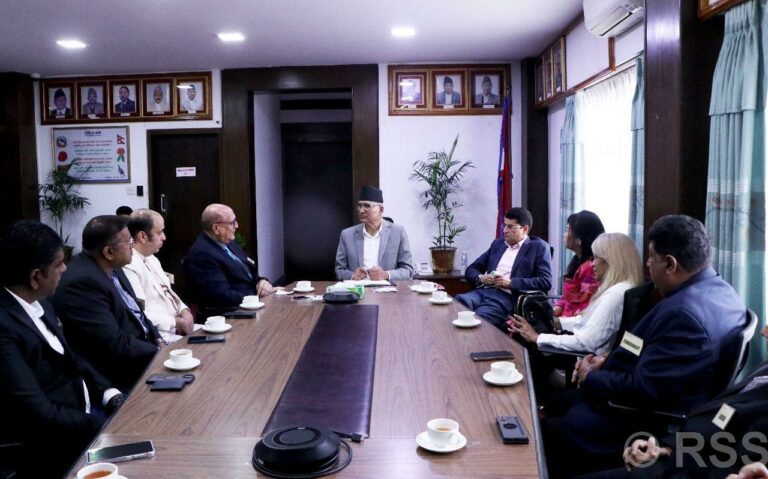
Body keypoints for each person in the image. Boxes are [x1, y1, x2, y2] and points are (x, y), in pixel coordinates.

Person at [542, 215, 748, 478]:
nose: (647, 264)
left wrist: (592, 375)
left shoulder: (683, 314)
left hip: (635, 417)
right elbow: (642, 342)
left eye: (652, 258)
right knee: (555, 403)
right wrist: (606, 358)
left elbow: (643, 389)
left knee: (543, 433)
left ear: (670, 264)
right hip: (632, 385)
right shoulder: (723, 291)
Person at [0, 220, 124, 478]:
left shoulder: (41, 303)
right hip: (53, 445)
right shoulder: (4, 327)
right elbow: (36, 412)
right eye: (58, 264)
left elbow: (70, 357)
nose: (65, 269)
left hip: (86, 415)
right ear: (36, 277)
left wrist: (108, 393)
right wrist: (99, 424)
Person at [579, 326, 768, 479]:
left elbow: (642, 384)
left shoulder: (681, 313)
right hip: (681, 452)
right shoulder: (765, 370)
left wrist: (591, 376)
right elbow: (723, 418)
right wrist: (666, 450)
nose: (763, 331)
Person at [52, 215, 160, 391]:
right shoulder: (82, 283)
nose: (132, 246)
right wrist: (158, 353)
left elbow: (136, 312)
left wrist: (158, 339)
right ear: (109, 252)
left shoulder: (113, 265)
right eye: (128, 242)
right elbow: (114, 342)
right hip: (123, 371)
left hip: (144, 349)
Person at [509, 232, 644, 356]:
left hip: (585, 359)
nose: (592, 264)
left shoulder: (614, 295)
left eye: (596, 258)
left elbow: (585, 342)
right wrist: (555, 322)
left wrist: (537, 337)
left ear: (611, 261)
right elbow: (589, 323)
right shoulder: (626, 288)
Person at [455, 207, 552, 330]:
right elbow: (472, 269)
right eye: (504, 225)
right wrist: (481, 278)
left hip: (508, 298)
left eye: (510, 227)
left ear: (525, 229)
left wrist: (511, 283)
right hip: (484, 291)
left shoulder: (538, 247)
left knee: (480, 318)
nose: (505, 230)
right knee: (457, 304)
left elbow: (545, 282)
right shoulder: (498, 244)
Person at [186, 204, 275, 315]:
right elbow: (222, 295)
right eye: (232, 222)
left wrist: (262, 282)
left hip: (252, 304)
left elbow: (249, 273)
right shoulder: (202, 254)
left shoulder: (228, 243)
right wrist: (258, 296)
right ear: (216, 228)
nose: (236, 226)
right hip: (233, 313)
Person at [124, 209, 194, 339]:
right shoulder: (128, 265)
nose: (164, 237)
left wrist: (184, 310)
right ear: (142, 236)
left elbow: (168, 292)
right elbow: (138, 313)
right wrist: (176, 322)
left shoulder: (152, 258)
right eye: (160, 232)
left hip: (176, 327)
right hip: (157, 334)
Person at [335, 186, 414, 281]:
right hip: (358, 288)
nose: (361, 210)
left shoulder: (398, 233)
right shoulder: (347, 235)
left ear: (381, 210)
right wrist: (352, 275)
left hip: (387, 289)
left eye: (367, 206)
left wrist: (386, 275)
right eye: (359, 206)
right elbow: (339, 270)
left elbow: (408, 270)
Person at [553, 210, 605, 318]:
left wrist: (556, 321)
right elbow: (568, 298)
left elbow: (585, 309)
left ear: (579, 239)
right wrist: (552, 312)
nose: (564, 235)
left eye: (567, 230)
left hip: (571, 324)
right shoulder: (577, 260)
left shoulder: (590, 268)